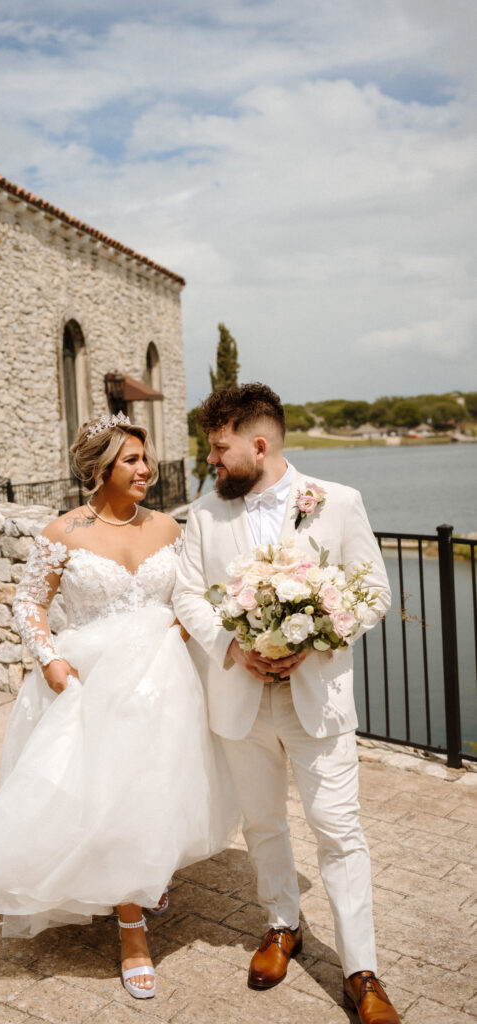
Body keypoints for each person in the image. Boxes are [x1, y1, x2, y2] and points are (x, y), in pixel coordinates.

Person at [0, 412, 238, 1000]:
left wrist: (183, 639)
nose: (147, 469)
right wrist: (51, 661)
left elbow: (195, 597)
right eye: (132, 461)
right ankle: (131, 930)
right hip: (91, 685)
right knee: (108, 795)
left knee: (156, 788)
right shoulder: (63, 533)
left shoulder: (169, 527)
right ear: (99, 469)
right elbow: (28, 603)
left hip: (164, 682)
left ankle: (144, 872)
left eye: (146, 458)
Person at [173, 384, 401, 1024]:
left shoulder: (337, 503)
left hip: (316, 702)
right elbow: (189, 596)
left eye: (219, 448)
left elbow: (374, 593)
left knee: (339, 830)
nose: (211, 460)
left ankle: (362, 970)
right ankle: (281, 926)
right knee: (263, 824)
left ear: (259, 444)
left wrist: (321, 632)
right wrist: (232, 646)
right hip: (240, 700)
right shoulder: (203, 514)